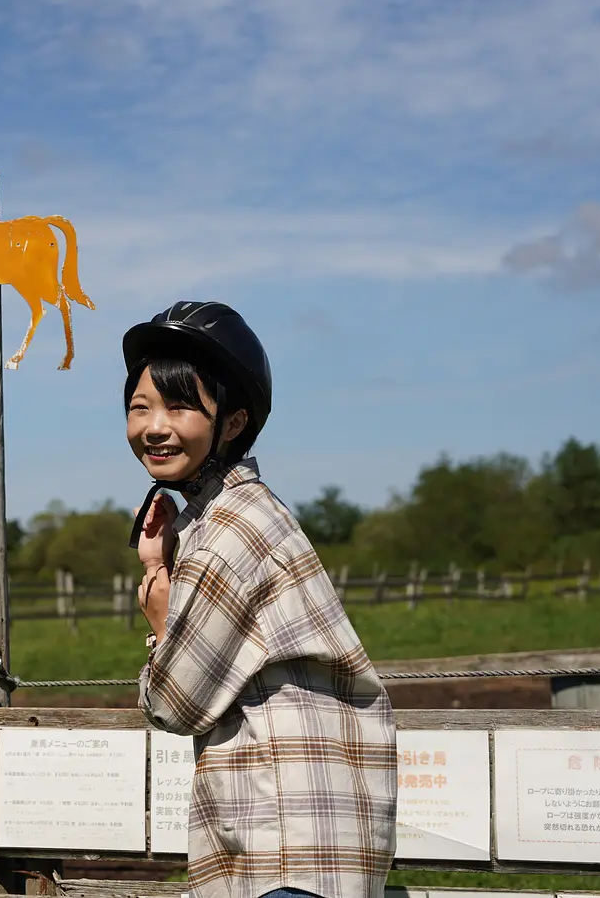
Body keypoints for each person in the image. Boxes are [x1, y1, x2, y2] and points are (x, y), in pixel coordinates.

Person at [123, 301, 397, 898]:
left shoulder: (229, 534)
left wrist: (160, 608)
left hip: (285, 850)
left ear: (233, 422)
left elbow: (173, 702)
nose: (155, 426)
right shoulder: (237, 515)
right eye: (140, 406)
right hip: (303, 842)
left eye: (180, 405)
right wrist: (157, 560)